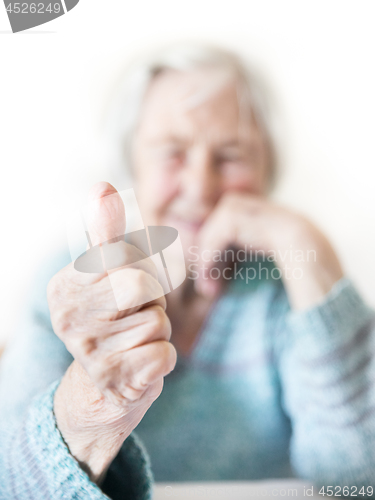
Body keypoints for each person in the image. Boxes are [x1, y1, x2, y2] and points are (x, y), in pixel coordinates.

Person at [1, 43, 375, 500]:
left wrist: (307, 246)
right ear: (131, 163)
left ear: (266, 170)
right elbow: (12, 484)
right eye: (172, 152)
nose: (200, 187)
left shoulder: (282, 289)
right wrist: (94, 403)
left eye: (231, 154)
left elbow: (356, 480)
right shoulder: (71, 284)